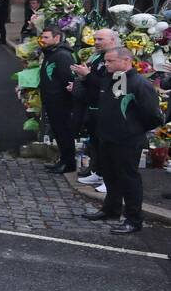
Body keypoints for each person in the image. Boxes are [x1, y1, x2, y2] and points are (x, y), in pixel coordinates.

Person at [83, 48, 163, 234]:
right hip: (108, 136)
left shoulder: (139, 83)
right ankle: (111, 209)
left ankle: (134, 219)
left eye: (110, 61)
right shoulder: (111, 79)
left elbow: (153, 115)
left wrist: (133, 129)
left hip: (127, 140)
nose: (106, 64)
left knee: (129, 179)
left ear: (126, 61)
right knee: (110, 176)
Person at [72, 28, 119, 192]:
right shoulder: (98, 56)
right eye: (95, 39)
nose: (96, 42)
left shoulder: (115, 58)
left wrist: (87, 75)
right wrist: (83, 78)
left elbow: (107, 84)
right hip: (92, 106)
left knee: (107, 146)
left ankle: (110, 180)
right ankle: (98, 172)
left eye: (100, 39)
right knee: (95, 143)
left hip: (105, 108)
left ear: (112, 40)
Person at [38, 25, 76, 175]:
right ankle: (63, 160)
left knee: (64, 132)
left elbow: (67, 79)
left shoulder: (62, 55)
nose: (43, 40)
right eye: (42, 37)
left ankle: (69, 163)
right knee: (58, 133)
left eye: (46, 37)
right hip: (52, 100)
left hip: (61, 102)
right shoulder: (51, 53)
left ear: (57, 38)